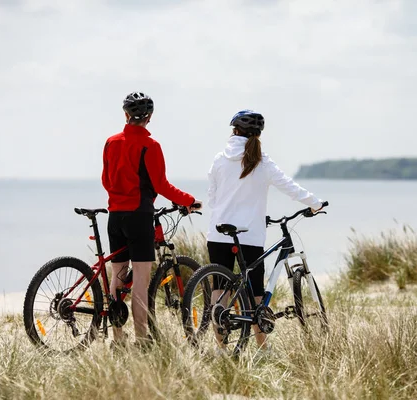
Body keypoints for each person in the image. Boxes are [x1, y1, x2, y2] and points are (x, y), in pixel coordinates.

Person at [207, 109, 323, 348]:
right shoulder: (262, 161)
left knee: (220, 289)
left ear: (234, 131)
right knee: (255, 290)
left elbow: (212, 197)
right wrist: (315, 203)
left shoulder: (219, 159)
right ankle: (262, 347)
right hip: (249, 235)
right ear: (257, 135)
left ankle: (220, 349)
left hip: (219, 232)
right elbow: (289, 186)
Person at [102, 92, 201, 348]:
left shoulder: (111, 142)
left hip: (115, 216)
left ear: (125, 115)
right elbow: (162, 185)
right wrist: (189, 200)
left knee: (118, 275)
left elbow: (106, 180)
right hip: (139, 216)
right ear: (150, 117)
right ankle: (142, 339)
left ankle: (118, 338)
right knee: (141, 281)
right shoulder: (150, 146)